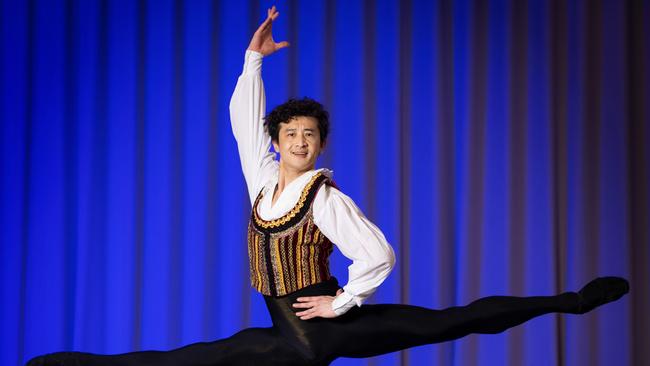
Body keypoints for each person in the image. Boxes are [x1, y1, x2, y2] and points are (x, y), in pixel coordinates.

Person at [27, 6, 629, 366]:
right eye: (291, 132)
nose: (301, 141)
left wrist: (342, 302)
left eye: (311, 134)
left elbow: (379, 254)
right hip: (285, 345)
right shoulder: (262, 179)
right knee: (179, 361)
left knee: (451, 321)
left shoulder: (326, 197)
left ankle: (572, 301)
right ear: (278, 139)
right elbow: (243, 126)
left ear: (320, 143)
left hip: (320, 336)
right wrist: (253, 61)